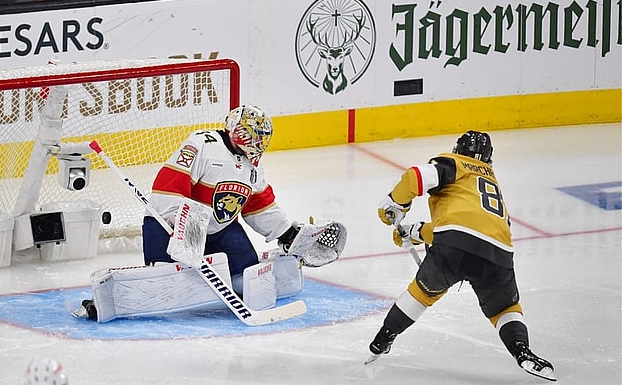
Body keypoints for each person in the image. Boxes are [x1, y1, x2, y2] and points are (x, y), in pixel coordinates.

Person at [73, 105, 346, 321]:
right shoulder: (203, 144)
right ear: (238, 130)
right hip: (169, 224)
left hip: (219, 229)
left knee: (249, 277)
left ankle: (212, 276)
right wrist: (185, 229)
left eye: (262, 137)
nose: (258, 142)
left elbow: (258, 205)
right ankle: (104, 302)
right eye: (253, 135)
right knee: (164, 283)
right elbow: (169, 185)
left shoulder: (253, 167)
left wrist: (286, 233)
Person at [369, 131, 556, 382]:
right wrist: (416, 233)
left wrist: (396, 203)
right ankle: (521, 350)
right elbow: (472, 230)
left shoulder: (455, 163)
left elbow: (415, 177)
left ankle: (383, 338)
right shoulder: (492, 185)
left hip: (453, 248)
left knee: (421, 294)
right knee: (505, 308)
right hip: (498, 253)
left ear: (458, 149)